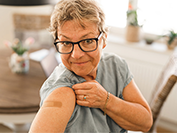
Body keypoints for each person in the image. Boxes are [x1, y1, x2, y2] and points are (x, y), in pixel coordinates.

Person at [29, 0, 153, 132]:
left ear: (104, 39)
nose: (76, 55)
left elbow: (145, 122)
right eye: (66, 43)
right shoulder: (62, 92)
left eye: (88, 41)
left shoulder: (115, 65)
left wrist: (106, 101)